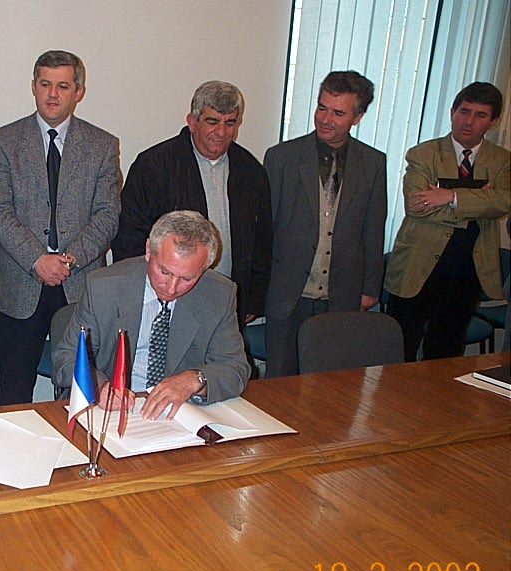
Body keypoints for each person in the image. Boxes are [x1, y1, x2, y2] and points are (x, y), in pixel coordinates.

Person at [0, 50, 120, 406]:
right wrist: (38, 259)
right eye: (45, 84)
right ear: (33, 87)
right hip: (21, 284)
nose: (53, 94)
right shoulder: (3, 141)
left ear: (79, 91)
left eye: (63, 85)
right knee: (12, 390)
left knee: (81, 387)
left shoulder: (103, 145)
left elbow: (107, 214)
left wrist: (68, 260)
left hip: (80, 286)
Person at [53, 211, 250, 421]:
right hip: (114, 413)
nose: (172, 288)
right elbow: (66, 357)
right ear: (149, 250)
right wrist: (99, 387)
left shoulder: (219, 294)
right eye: (164, 272)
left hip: (179, 415)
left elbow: (236, 368)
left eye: (187, 278)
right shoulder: (104, 288)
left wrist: (194, 379)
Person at [111, 81, 272, 325]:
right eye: (212, 121)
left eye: (230, 122)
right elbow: (128, 239)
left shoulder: (250, 171)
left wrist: (254, 298)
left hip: (225, 301)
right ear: (192, 120)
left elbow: (262, 241)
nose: (221, 132)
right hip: (165, 298)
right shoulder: (154, 166)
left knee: (215, 364)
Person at [263, 71, 387, 377]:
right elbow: (265, 230)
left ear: (358, 116)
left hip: (342, 294)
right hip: (288, 293)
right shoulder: (282, 158)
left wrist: (370, 287)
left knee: (333, 385)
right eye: (322, 108)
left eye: (338, 112)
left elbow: (374, 229)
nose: (326, 119)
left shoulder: (373, 163)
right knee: (281, 382)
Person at [385, 82, 510, 361]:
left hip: (467, 273)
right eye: (464, 111)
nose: (469, 121)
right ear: (452, 112)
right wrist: (478, 201)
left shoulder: (502, 161)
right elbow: (417, 206)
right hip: (417, 269)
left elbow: (503, 203)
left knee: (445, 356)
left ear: (493, 121)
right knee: (399, 353)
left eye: (480, 115)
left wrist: (450, 195)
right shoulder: (423, 154)